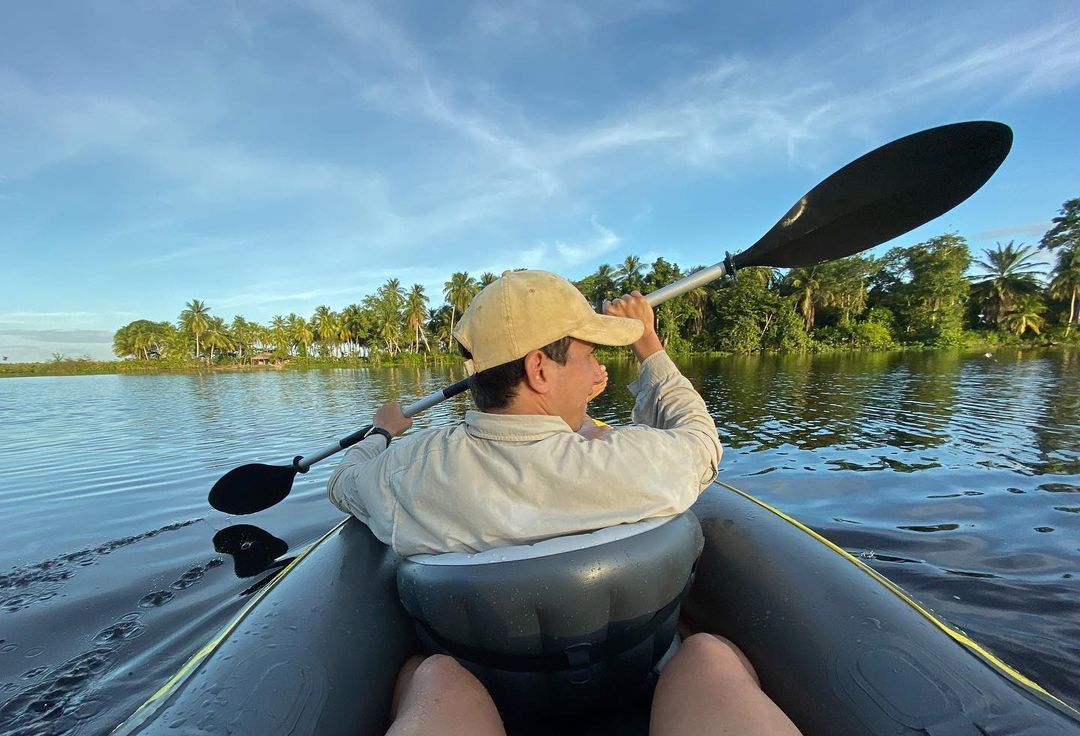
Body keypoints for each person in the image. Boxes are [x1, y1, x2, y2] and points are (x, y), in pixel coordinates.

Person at [327, 269, 800, 735]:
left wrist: (382, 432)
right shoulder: (630, 463)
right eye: (589, 357)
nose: (599, 371)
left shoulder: (408, 471)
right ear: (538, 369)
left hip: (489, 696)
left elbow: (344, 480)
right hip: (634, 681)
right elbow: (700, 439)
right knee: (709, 651)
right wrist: (648, 348)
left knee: (427, 672)